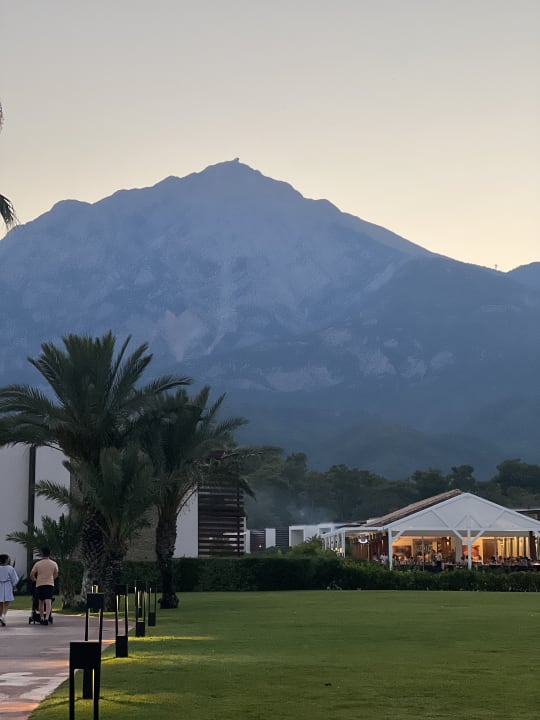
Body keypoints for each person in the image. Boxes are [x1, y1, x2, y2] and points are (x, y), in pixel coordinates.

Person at [30, 547, 58, 625]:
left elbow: (32, 574)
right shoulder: (53, 563)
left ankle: (41, 617)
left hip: (40, 584)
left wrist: (35, 580)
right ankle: (47, 618)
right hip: (49, 584)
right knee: (48, 601)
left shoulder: (38, 564)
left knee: (41, 601)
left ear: (42, 554)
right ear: (49, 554)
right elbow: (56, 574)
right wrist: (51, 578)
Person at [0, 554, 19, 626]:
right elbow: (15, 579)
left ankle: (1, 616)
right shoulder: (10, 568)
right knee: (6, 603)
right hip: (7, 585)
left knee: (0, 603)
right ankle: (3, 615)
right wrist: (14, 586)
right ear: (6, 560)